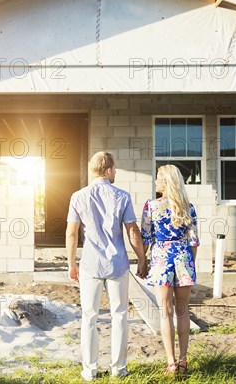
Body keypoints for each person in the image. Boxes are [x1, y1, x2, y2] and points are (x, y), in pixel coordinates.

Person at [66, 151, 147, 381]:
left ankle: (90, 371)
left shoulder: (78, 196)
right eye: (115, 169)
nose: (116, 172)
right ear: (109, 170)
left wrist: (71, 263)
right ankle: (118, 370)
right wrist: (142, 259)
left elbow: (71, 234)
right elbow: (132, 231)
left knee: (89, 317)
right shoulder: (122, 196)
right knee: (119, 315)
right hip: (117, 263)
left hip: (90, 264)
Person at [141, 164, 199, 376]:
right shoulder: (188, 207)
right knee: (183, 311)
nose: (155, 182)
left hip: (161, 259)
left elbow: (146, 238)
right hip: (183, 257)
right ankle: (183, 361)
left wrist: (142, 261)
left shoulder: (151, 206)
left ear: (165, 182)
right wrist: (188, 265)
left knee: (165, 313)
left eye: (158, 178)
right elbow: (193, 241)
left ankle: (171, 363)